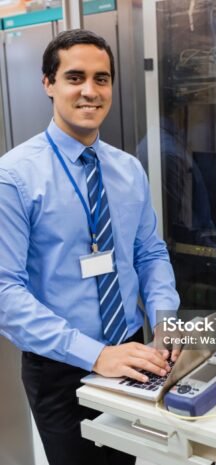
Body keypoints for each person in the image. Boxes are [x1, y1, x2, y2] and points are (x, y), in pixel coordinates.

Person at [0, 29, 180, 465]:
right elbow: (5, 293)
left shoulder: (128, 170)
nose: (90, 91)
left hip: (133, 351)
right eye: (75, 77)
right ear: (48, 83)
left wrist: (166, 321)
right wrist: (97, 355)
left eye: (102, 79)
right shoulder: (14, 177)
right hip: (62, 367)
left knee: (125, 460)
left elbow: (149, 253)